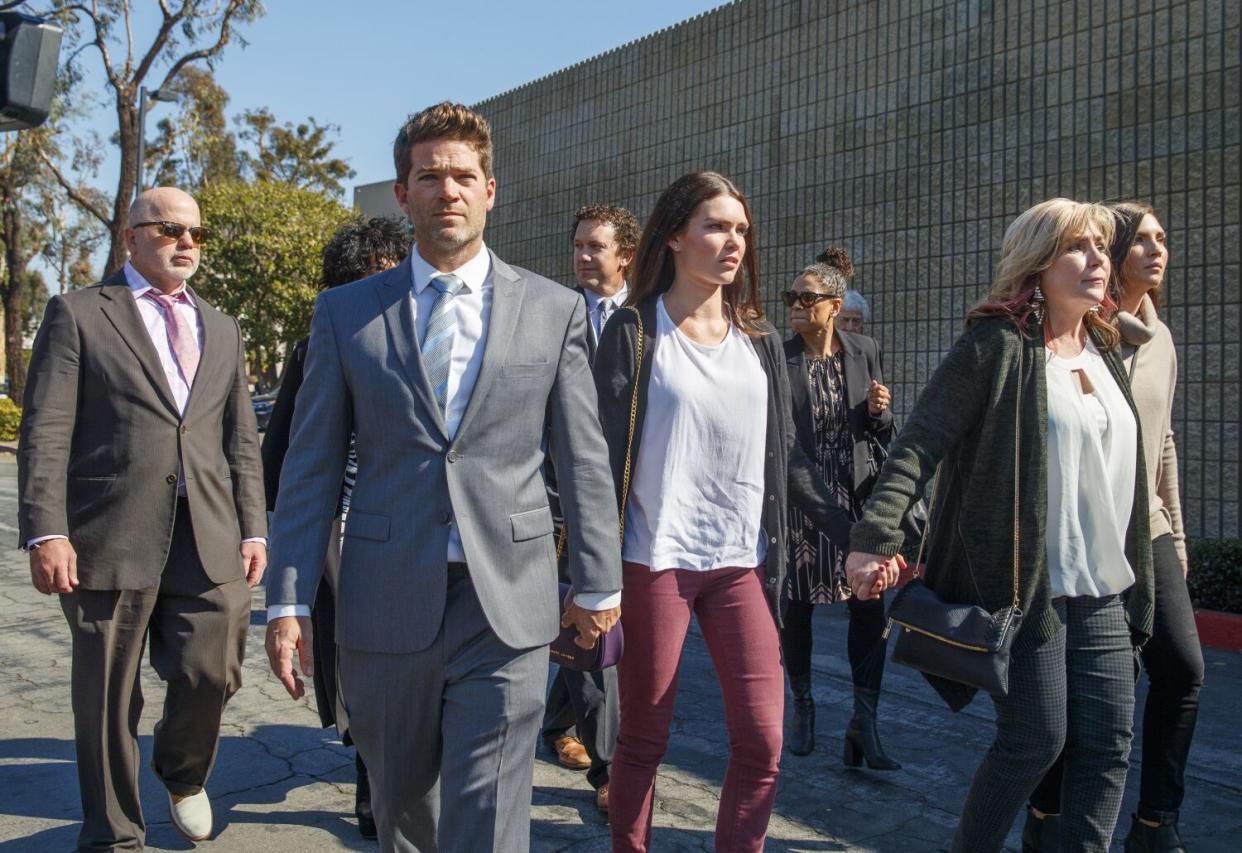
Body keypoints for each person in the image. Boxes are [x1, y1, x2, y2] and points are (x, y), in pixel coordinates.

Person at [263, 102, 621, 853]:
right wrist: (289, 597)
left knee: (489, 814)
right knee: (402, 805)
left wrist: (598, 581)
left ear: (492, 190)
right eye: (430, 176)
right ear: (404, 193)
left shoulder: (552, 311)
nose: (448, 190)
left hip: (507, 603)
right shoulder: (344, 314)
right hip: (384, 596)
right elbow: (311, 468)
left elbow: (583, 457)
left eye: (464, 176)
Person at [846, 198, 1155, 853]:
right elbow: (917, 445)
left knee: (1108, 746)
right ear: (1038, 263)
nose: (1097, 260)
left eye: (1101, 247)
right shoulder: (996, 345)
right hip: (1028, 586)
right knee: (1034, 741)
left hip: (1103, 587)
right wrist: (876, 537)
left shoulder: (1106, 346)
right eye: (1078, 247)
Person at [594, 171, 863, 853]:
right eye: (716, 225)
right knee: (645, 738)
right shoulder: (633, 329)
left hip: (740, 564)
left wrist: (853, 532)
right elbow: (593, 461)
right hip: (655, 560)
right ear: (677, 235)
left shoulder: (761, 340)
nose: (733, 240)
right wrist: (587, 574)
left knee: (763, 738)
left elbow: (788, 458)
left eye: (741, 228)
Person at [17, 187, 268, 850]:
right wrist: (47, 529)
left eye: (196, 233)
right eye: (168, 229)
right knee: (106, 700)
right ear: (132, 236)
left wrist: (253, 525)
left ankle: (182, 772)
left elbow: (239, 437)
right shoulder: (78, 314)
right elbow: (45, 429)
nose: (186, 242)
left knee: (211, 670)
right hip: (108, 533)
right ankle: (113, 836)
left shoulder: (222, 324)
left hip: (208, 534)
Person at [1024, 202, 1203, 853]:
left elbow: (1165, 445)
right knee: (1096, 694)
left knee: (1183, 668)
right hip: (1090, 527)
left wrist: (1177, 535)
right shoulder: (1089, 332)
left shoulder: (1159, 338)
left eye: (1164, 237)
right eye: (1143, 240)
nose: (1158, 250)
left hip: (1146, 526)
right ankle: (1045, 815)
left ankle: (1156, 822)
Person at [260, 216, 412, 840]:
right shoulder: (317, 343)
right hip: (341, 528)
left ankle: (391, 773)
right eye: (365, 278)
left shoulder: (431, 336)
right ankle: (373, 778)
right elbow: (286, 454)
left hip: (411, 525)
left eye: (389, 274)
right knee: (354, 657)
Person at [780, 260, 900, 768]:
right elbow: (781, 442)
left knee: (868, 608)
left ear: (834, 306)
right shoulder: (776, 357)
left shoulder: (863, 351)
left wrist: (879, 412)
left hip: (855, 499)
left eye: (807, 298)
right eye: (792, 297)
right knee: (799, 608)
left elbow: (879, 434)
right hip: (800, 503)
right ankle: (803, 708)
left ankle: (863, 723)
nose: (795, 307)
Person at [540, 203, 639, 814]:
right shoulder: (556, 313)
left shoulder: (646, 318)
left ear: (624, 254)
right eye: (577, 245)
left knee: (593, 625)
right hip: (561, 500)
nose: (581, 256)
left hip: (632, 502)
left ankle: (555, 725)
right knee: (585, 617)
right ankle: (610, 772)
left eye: (595, 247)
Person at [814, 246, 868, 335]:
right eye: (845, 320)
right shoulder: (823, 348)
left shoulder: (869, 347)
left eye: (856, 321)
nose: (850, 328)